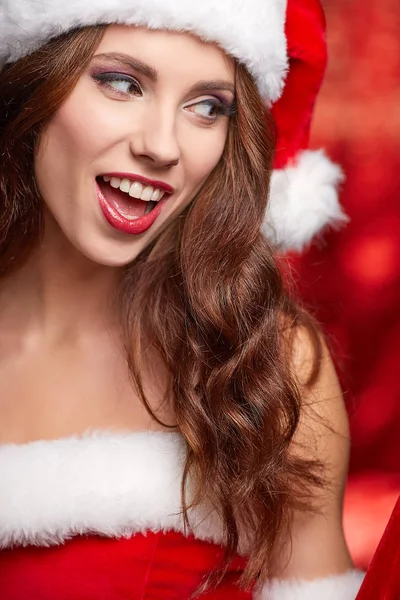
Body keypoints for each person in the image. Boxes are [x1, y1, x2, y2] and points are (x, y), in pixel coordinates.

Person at [0, 0, 364, 598]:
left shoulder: (264, 365)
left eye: (206, 107)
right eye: (122, 83)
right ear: (35, 81)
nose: (162, 146)